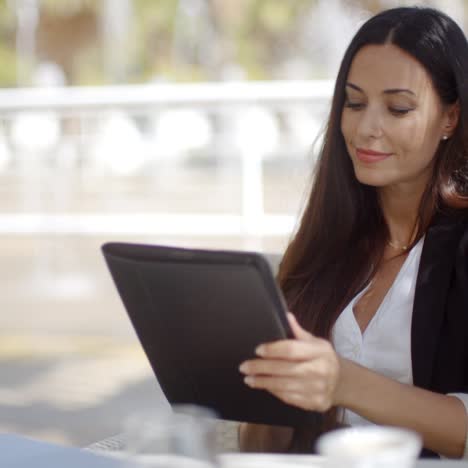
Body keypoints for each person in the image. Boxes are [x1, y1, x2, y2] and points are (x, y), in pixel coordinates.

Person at [238, 6, 468, 459]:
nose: (366, 128)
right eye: (355, 102)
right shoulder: (327, 240)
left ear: (450, 118)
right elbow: (264, 437)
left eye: (398, 107)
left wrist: (341, 382)